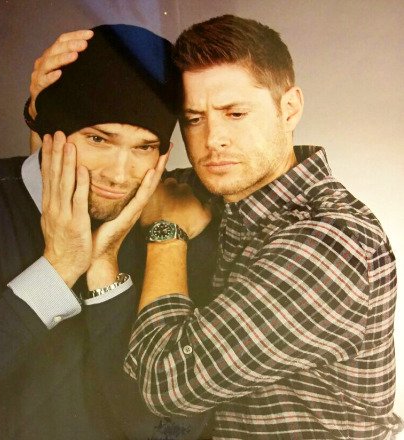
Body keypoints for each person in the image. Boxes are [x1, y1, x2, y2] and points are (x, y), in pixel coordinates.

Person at [0, 24, 214, 439]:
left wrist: (105, 274)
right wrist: (57, 271)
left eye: (144, 147)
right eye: (98, 139)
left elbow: (171, 431)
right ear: (50, 131)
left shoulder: (171, 227)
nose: (119, 174)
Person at [120, 15, 402, 440]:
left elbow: (167, 384)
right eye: (194, 119)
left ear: (289, 109)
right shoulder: (218, 190)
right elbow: (107, 186)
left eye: (235, 113)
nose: (213, 139)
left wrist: (167, 233)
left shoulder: (333, 242)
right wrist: (43, 113)